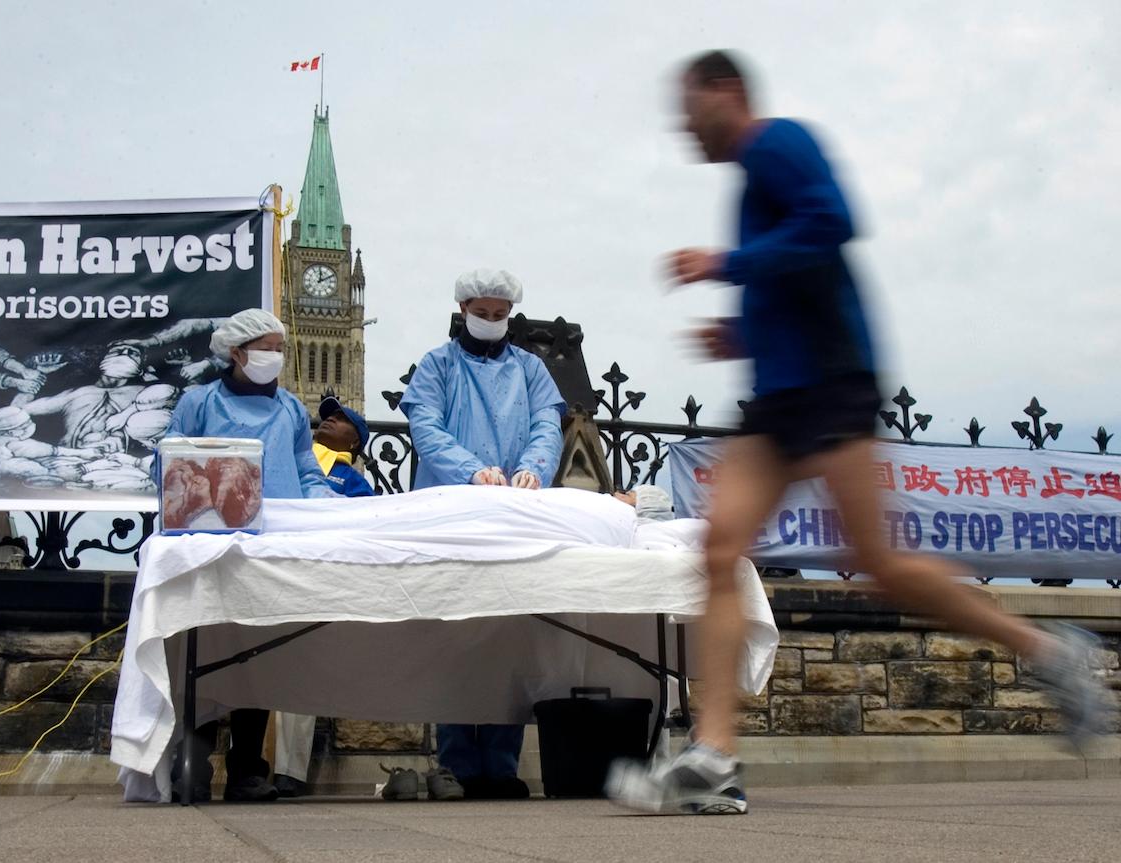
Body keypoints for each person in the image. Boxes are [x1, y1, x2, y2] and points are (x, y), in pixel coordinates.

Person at [607, 50, 1113, 817]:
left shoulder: (777, 143)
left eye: (689, 109)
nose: (684, 129)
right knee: (717, 547)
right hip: (779, 399)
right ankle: (713, 756)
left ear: (726, 90)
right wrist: (738, 335)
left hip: (833, 385)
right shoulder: (748, 182)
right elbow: (793, 280)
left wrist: (726, 263)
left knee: (876, 561)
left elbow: (833, 223)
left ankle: (1053, 650)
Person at [399, 268, 567, 800]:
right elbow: (426, 427)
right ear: (464, 309)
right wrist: (471, 469)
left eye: (500, 316)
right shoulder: (437, 366)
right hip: (453, 511)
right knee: (454, 635)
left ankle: (500, 765)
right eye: (483, 314)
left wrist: (533, 468)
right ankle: (456, 764)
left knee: (506, 637)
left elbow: (547, 423)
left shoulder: (532, 369)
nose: (491, 322)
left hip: (513, 514)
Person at [162, 308, 334, 803]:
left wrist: (323, 503)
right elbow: (169, 460)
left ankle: (246, 771)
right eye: (266, 347)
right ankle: (191, 765)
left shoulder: (290, 411)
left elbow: (306, 471)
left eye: (280, 348)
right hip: (209, 543)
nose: (274, 357)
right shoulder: (199, 402)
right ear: (236, 352)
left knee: (258, 655)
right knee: (206, 649)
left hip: (270, 545)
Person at [272, 395, 374, 798]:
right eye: (328, 415)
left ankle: (287, 772)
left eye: (342, 419)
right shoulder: (287, 456)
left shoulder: (352, 482)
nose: (329, 419)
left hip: (312, 580)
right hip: (274, 568)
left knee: (297, 677)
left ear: (355, 443)